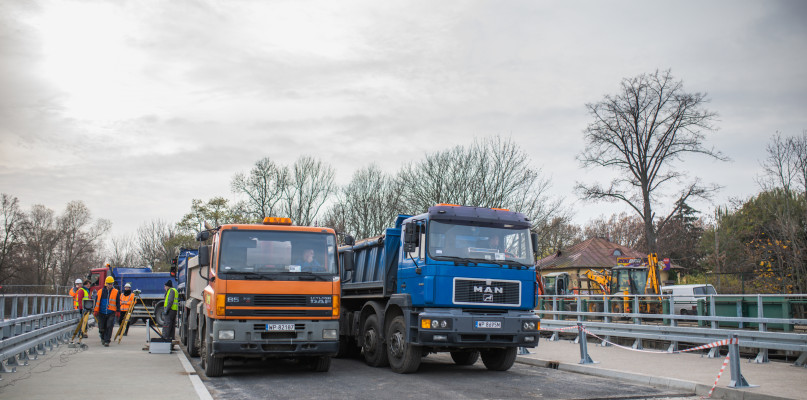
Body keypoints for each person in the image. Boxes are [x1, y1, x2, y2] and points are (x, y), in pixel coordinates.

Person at [93, 276, 120, 347]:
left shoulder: (116, 292)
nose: (110, 285)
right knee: (101, 327)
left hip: (111, 312)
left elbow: (117, 302)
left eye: (111, 284)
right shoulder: (100, 292)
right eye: (108, 284)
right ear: (106, 283)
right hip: (101, 312)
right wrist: (95, 310)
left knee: (109, 326)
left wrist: (118, 311)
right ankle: (102, 337)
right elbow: (97, 302)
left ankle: (107, 341)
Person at [162, 280, 179, 347]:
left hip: (170, 310)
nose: (164, 288)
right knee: (171, 327)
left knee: (167, 326)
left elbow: (170, 301)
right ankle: (171, 342)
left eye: (165, 286)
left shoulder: (171, 291)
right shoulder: (174, 290)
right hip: (173, 310)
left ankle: (166, 341)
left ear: (167, 286)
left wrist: (166, 310)